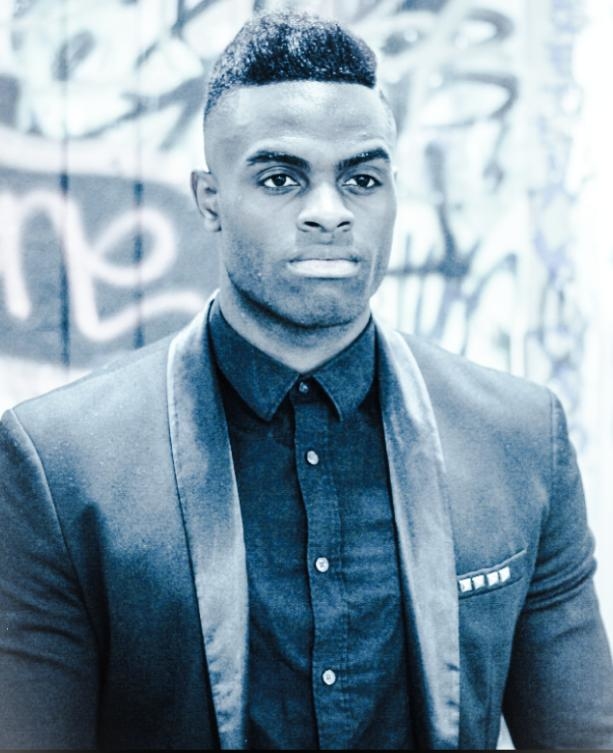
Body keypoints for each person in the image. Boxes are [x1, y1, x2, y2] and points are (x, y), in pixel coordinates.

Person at [1, 11, 612, 751]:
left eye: (361, 179)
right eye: (281, 179)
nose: (329, 213)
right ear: (209, 199)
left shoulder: (518, 438)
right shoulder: (59, 463)